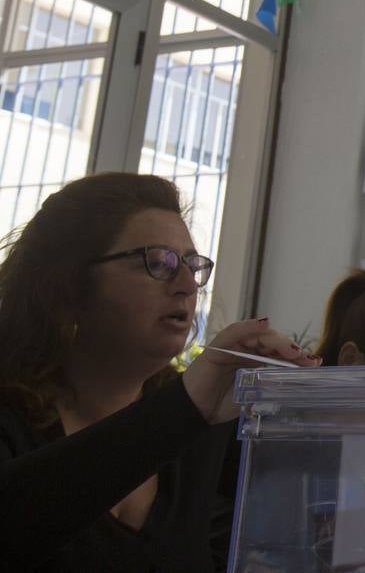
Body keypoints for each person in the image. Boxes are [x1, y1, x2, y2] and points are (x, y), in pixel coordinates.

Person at [0, 172, 320, 571]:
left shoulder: (202, 427)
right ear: (66, 288)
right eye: (157, 263)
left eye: (191, 264)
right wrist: (188, 406)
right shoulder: (10, 417)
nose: (188, 284)